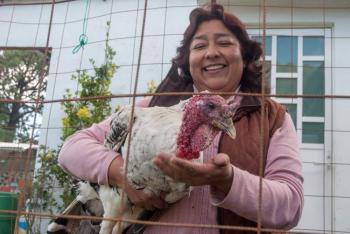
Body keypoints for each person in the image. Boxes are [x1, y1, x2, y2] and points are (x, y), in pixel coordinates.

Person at [58, 3, 303, 234]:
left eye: (224, 43)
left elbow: (291, 206)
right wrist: (123, 175)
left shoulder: (273, 119)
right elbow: (71, 149)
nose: (211, 53)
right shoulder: (151, 110)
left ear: (246, 57)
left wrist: (228, 181)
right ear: (188, 61)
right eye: (199, 46)